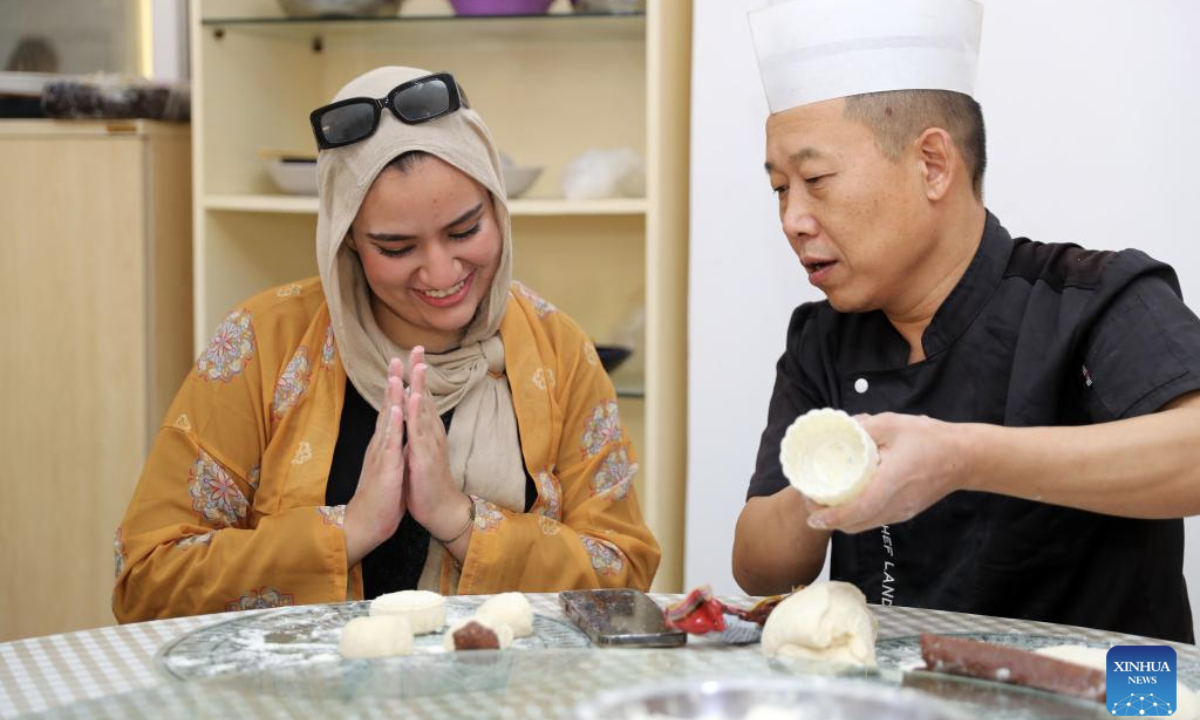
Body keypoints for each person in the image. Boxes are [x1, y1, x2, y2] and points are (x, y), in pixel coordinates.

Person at [113, 66, 659, 621]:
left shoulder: (556, 352)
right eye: (396, 247)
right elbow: (148, 578)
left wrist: (461, 521)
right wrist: (348, 531)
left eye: (465, 231)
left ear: (498, 206)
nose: (441, 271)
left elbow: (622, 576)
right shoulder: (264, 345)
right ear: (345, 238)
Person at [732, 0, 1200, 642]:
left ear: (932, 164)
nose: (792, 219)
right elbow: (758, 566)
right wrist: (825, 485)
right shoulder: (823, 340)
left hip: (1118, 694)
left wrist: (962, 456)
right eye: (781, 188)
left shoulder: (1092, 296)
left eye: (816, 179)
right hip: (901, 698)